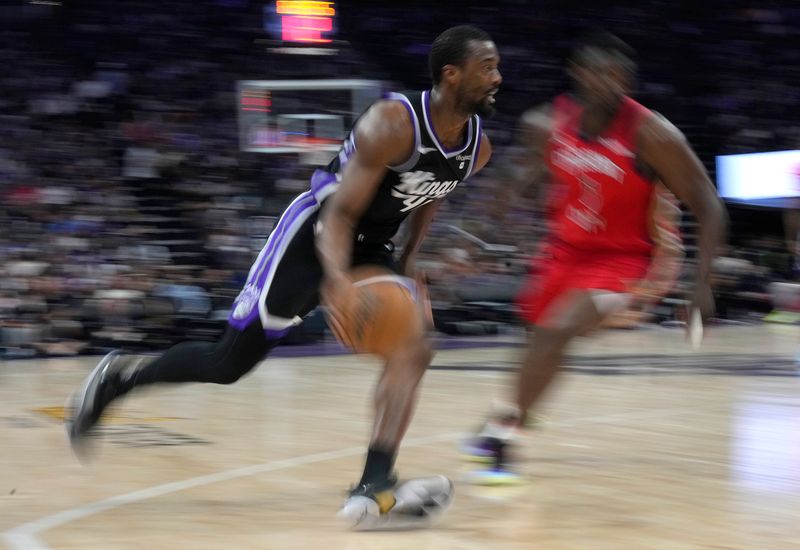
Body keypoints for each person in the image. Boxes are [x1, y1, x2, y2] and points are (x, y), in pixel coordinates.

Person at [66, 24, 502, 526]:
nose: (498, 77)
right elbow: (337, 215)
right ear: (452, 74)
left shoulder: (477, 149)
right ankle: (116, 381)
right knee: (227, 364)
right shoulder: (393, 122)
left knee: (416, 347)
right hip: (313, 236)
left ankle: (374, 482)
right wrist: (336, 281)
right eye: (487, 66)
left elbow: (432, 195)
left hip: (373, 246)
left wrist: (408, 263)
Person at [463, 30, 726, 480]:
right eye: (599, 74)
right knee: (538, 339)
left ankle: (502, 439)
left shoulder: (652, 134)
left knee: (557, 329)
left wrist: (702, 285)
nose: (609, 84)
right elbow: (512, 178)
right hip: (566, 250)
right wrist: (469, 236)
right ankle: (512, 416)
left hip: (633, 259)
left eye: (619, 76)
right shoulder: (546, 123)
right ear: (578, 75)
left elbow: (709, 206)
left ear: (628, 81)